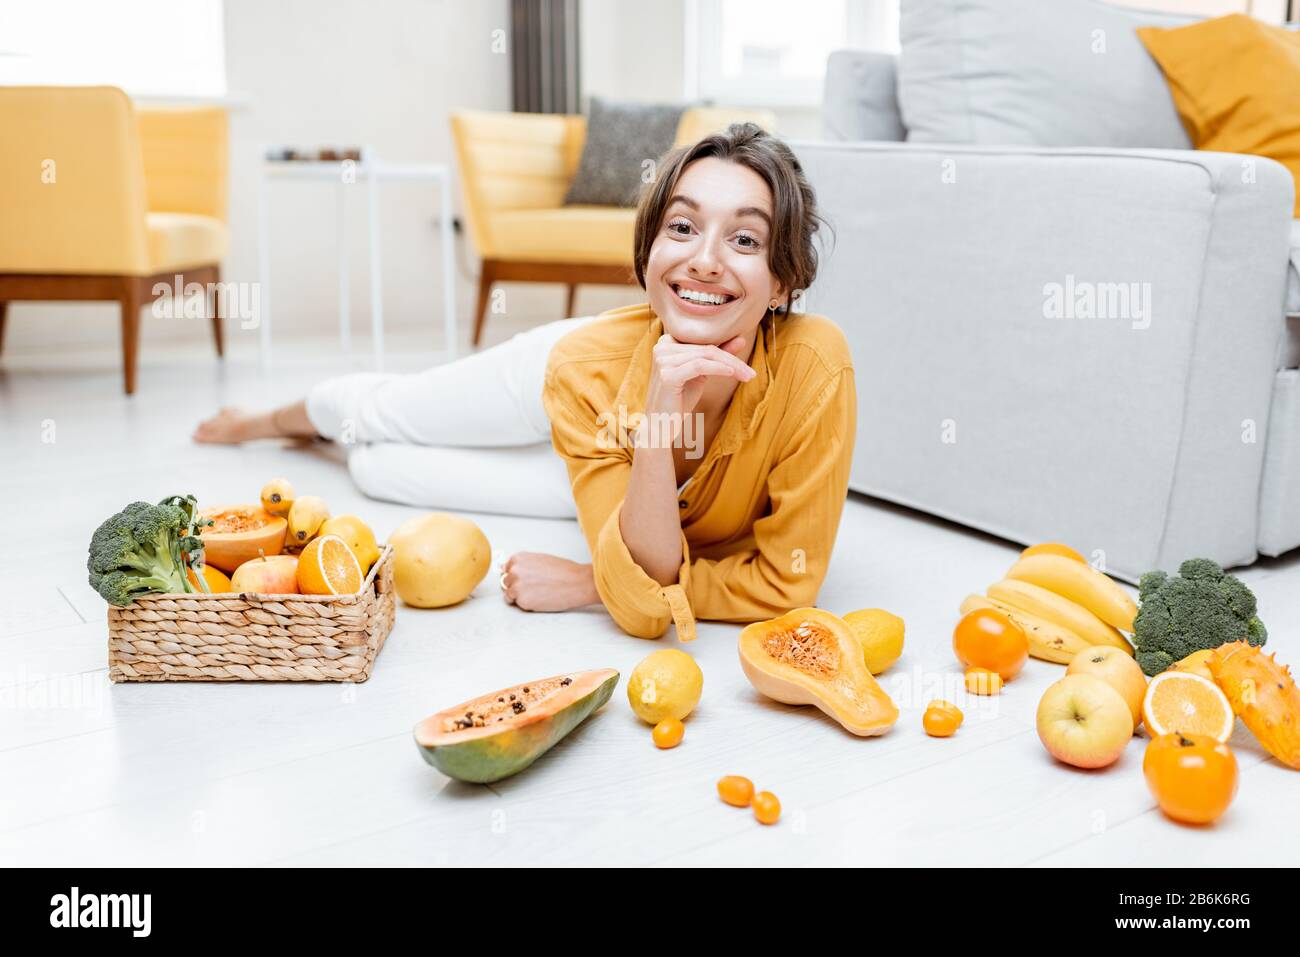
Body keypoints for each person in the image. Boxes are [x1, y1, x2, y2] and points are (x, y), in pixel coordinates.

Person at [195, 123, 856, 641]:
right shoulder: (579, 364)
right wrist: (655, 430)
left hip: (621, 475)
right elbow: (657, 587)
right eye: (682, 227)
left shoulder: (816, 366)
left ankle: (331, 450)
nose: (704, 261)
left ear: (783, 281)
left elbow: (777, 585)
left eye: (744, 240)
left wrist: (594, 579)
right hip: (558, 384)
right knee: (377, 413)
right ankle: (260, 423)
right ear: (651, 251)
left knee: (376, 471)